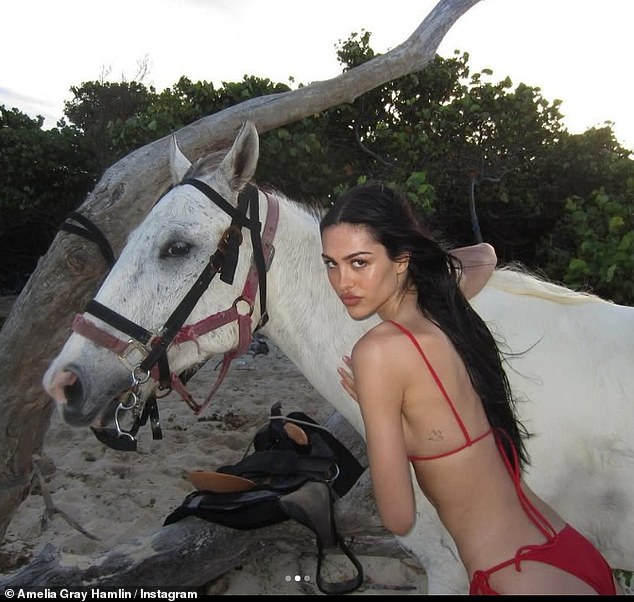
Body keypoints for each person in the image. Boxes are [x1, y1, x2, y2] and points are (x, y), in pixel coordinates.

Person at [319, 183, 617, 595]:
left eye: (358, 262)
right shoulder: (443, 304)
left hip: (510, 576)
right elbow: (484, 256)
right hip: (566, 551)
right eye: (331, 264)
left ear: (401, 259)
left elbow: (399, 516)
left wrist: (382, 418)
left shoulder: (376, 353)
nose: (342, 282)